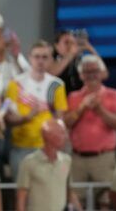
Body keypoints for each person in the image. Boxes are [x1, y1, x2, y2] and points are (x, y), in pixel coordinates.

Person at [64, 54, 116, 211]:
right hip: (78, 158)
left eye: (94, 71)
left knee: (107, 203)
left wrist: (99, 109)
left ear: (101, 73)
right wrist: (81, 108)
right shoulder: (73, 97)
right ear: (81, 75)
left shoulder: (114, 95)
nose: (91, 75)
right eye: (87, 71)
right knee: (76, 201)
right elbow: (66, 123)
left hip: (103, 158)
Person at [4, 41, 68, 180]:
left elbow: (60, 120)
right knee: (21, 193)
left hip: (48, 148)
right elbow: (8, 118)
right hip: (21, 147)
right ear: (30, 58)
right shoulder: (15, 84)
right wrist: (27, 117)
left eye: (45, 57)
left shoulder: (56, 85)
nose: (40, 61)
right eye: (37, 56)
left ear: (51, 59)